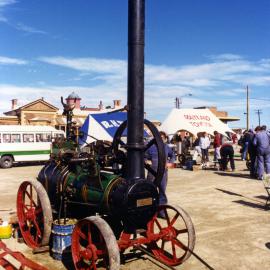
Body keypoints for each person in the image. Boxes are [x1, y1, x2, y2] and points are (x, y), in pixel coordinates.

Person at [145, 131, 175, 209]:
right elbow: (143, 156)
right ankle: (150, 210)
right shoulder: (150, 147)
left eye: (162, 137)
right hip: (152, 172)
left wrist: (170, 163)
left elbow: (173, 155)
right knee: (150, 190)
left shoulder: (166, 147)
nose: (160, 139)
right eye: (159, 137)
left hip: (163, 172)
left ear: (165, 138)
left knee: (162, 191)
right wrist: (146, 161)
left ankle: (161, 211)